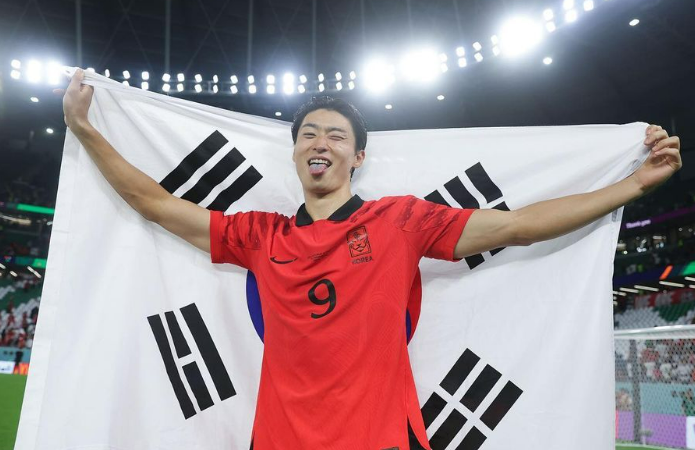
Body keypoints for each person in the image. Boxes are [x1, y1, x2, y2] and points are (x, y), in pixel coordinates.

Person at [60, 69, 682, 449]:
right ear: (295, 154)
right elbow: (157, 205)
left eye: (336, 135)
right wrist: (87, 130)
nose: (320, 142)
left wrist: (633, 185)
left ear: (358, 157)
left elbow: (517, 226)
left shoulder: (400, 222)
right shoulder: (259, 235)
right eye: (308, 134)